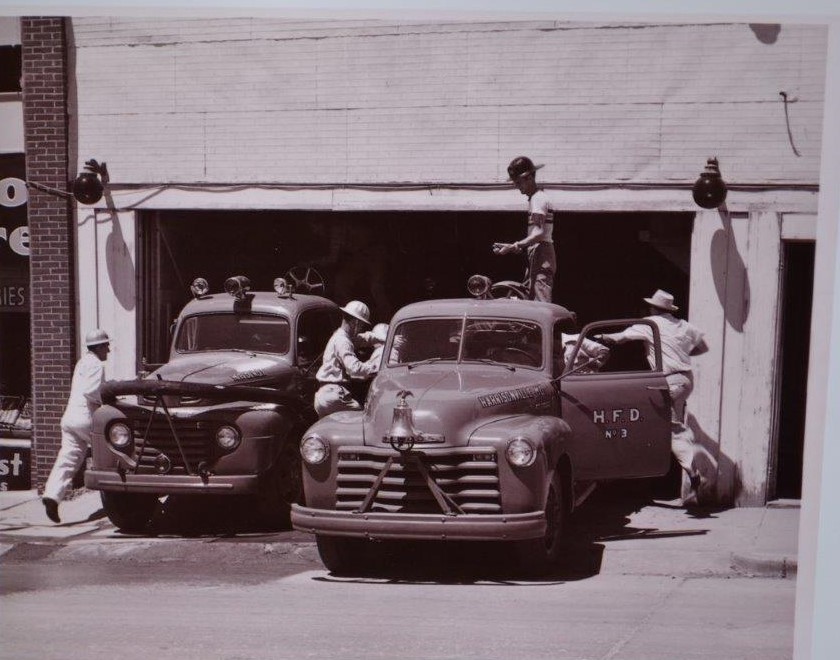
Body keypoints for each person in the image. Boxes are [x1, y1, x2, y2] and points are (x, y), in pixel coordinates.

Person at [598, 290, 709, 504]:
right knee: (672, 424)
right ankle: (685, 463)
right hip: (685, 379)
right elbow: (703, 347)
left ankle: (694, 475)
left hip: (670, 381)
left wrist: (604, 337)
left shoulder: (650, 324)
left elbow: (621, 338)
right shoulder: (683, 325)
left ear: (653, 308)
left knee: (672, 430)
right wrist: (682, 354)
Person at [42, 329, 111, 523]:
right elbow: (91, 391)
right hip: (86, 416)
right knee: (113, 450)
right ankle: (119, 495)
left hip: (70, 417)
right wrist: (107, 399)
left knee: (68, 457)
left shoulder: (82, 362)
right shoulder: (96, 364)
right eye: (106, 345)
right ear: (98, 347)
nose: (109, 349)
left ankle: (52, 496)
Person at [493, 156, 557, 302]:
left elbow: (539, 233)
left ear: (528, 178)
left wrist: (515, 245)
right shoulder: (536, 199)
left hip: (541, 252)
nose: (517, 186)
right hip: (537, 253)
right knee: (531, 297)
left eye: (518, 182)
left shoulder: (538, 199)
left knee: (541, 302)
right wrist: (515, 247)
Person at [314, 301, 379, 418]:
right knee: (364, 419)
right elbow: (354, 368)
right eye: (362, 325)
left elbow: (363, 339)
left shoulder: (341, 336)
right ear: (356, 322)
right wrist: (374, 368)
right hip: (334, 395)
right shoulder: (343, 341)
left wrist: (384, 337)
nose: (361, 329)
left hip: (323, 396)